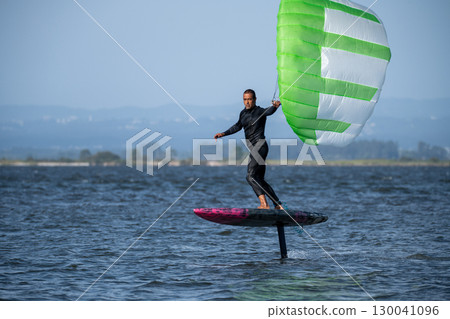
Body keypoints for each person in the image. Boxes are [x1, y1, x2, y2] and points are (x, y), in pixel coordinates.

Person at [214, 89, 283, 209]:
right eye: (245, 99)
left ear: (255, 99)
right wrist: (223, 134)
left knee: (250, 176)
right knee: (259, 178)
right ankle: (278, 205)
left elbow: (270, 111)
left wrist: (275, 106)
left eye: (250, 99)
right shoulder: (243, 113)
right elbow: (237, 126)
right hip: (254, 148)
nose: (247, 102)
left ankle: (264, 204)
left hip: (260, 146)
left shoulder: (260, 111)